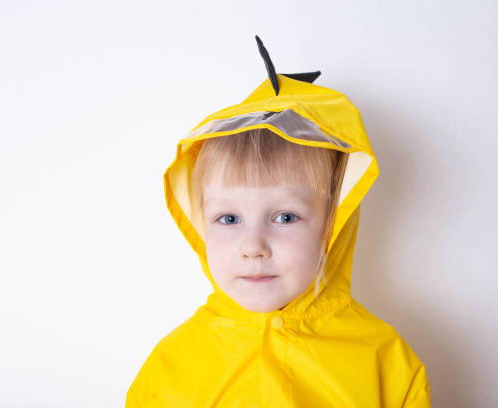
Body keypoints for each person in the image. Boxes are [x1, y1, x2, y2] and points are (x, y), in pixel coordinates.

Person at [126, 37, 431, 407]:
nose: (253, 247)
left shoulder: (385, 361)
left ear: (334, 223)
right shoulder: (170, 368)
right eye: (229, 218)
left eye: (285, 217)